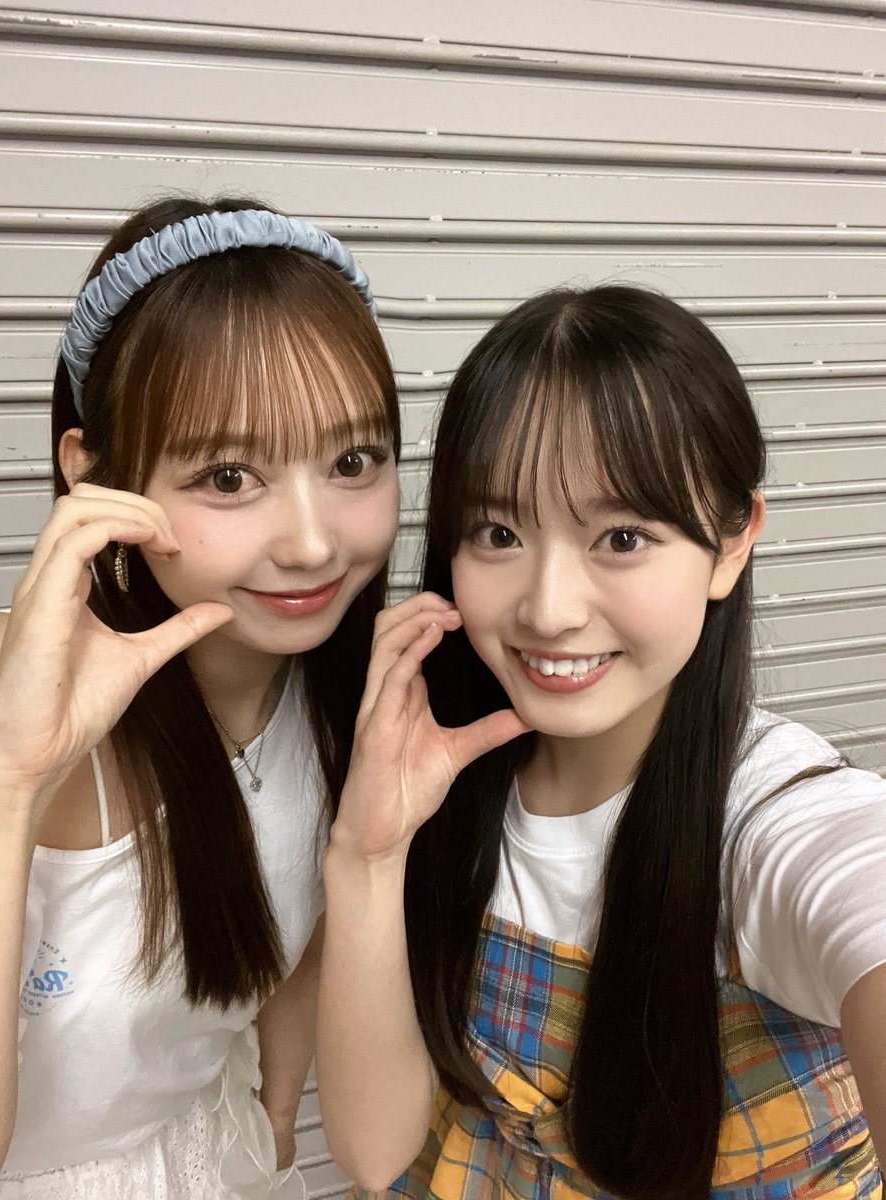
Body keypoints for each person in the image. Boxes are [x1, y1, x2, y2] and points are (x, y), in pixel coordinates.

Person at [318, 286, 886, 1199]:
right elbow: (375, 1153)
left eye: (621, 537)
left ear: (732, 544)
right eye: (498, 532)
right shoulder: (441, 784)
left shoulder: (780, 821)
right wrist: (369, 853)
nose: (548, 610)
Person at [0, 196, 400, 1198]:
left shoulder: (338, 690)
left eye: (352, 461)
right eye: (227, 476)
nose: (313, 543)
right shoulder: (2, 696)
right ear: (95, 479)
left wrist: (275, 1120)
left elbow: (296, 928)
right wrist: (10, 783)